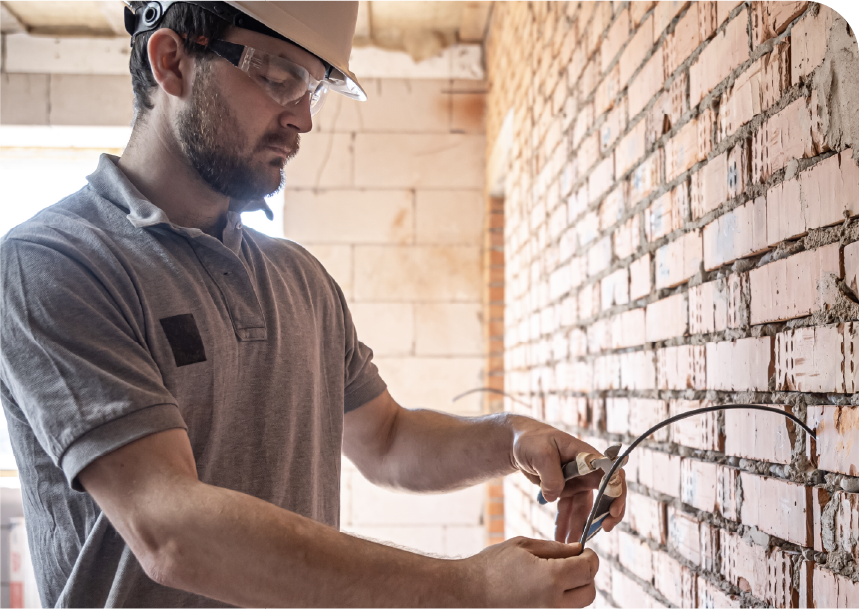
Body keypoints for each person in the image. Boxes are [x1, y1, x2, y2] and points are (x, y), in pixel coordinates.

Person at [0, 1, 626, 607]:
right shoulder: (54, 263)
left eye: (315, 88)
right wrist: (464, 590)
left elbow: (384, 438)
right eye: (278, 77)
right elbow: (170, 529)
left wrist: (513, 437)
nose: (303, 119)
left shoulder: (297, 277)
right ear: (172, 62)